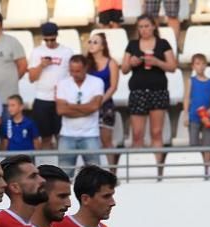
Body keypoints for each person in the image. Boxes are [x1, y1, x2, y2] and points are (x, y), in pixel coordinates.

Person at [121, 14, 177, 168]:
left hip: (158, 91)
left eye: (146, 26)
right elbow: (124, 69)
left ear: (153, 26)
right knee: (137, 134)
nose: (144, 30)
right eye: (141, 27)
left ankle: (156, 167)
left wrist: (157, 62)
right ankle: (136, 167)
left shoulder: (162, 44)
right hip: (138, 91)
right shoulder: (132, 44)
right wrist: (132, 63)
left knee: (156, 132)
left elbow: (172, 67)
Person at [55, 55, 105, 177]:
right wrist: (86, 108)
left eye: (77, 71)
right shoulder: (62, 83)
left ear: (86, 68)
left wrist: (70, 106)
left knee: (95, 174)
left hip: (90, 134)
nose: (74, 74)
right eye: (71, 71)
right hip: (67, 135)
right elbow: (61, 110)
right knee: (64, 174)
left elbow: (94, 107)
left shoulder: (97, 82)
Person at [27, 22, 73, 150]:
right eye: (46, 40)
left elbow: (72, 76)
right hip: (42, 99)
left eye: (52, 39)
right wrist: (41, 65)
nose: (49, 43)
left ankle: (61, 167)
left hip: (61, 99)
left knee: (62, 136)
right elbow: (31, 78)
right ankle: (46, 167)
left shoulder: (67, 52)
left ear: (57, 36)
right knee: (45, 137)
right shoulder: (37, 52)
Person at [85, 32, 120, 168]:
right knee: (90, 139)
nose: (91, 45)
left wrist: (100, 101)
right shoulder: (86, 63)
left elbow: (113, 86)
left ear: (102, 46)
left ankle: (111, 170)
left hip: (105, 105)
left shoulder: (111, 63)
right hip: (88, 105)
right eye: (90, 42)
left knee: (106, 140)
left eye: (95, 42)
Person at [182, 53, 210, 176]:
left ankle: (207, 168)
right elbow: (186, 98)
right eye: (197, 64)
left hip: (207, 117)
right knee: (194, 143)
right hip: (194, 117)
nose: (200, 66)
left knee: (208, 143)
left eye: (203, 64)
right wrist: (186, 114)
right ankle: (195, 168)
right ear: (193, 66)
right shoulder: (191, 81)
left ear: (206, 65)